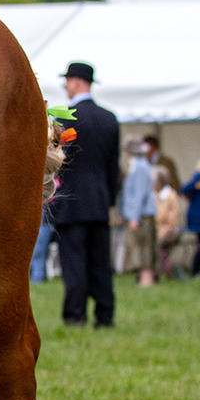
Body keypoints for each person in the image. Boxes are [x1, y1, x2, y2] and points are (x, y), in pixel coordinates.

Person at [51, 61, 121, 327]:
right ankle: (105, 315)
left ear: (77, 81)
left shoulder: (66, 118)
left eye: (67, 81)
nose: (66, 87)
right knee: (101, 263)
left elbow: (56, 161)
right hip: (100, 201)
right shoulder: (109, 118)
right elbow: (113, 166)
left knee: (74, 263)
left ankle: (75, 314)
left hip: (71, 202)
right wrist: (110, 200)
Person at [119, 138, 157, 287]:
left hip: (141, 215)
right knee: (141, 245)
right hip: (140, 213)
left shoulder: (140, 167)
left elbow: (139, 194)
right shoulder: (139, 166)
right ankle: (143, 277)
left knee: (143, 246)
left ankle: (146, 279)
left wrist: (134, 217)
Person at [153, 166, 186, 278]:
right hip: (158, 229)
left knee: (158, 243)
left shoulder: (171, 195)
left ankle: (165, 271)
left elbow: (172, 219)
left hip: (170, 230)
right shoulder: (154, 195)